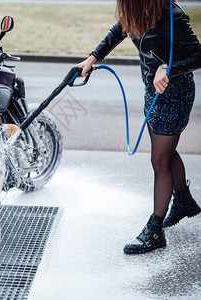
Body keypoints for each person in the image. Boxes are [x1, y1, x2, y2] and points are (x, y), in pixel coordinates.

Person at [78, 0, 201, 254]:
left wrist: (167, 67)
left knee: (159, 160)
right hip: (152, 90)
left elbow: (198, 55)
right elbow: (117, 31)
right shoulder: (137, 11)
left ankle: (155, 231)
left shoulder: (173, 16)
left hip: (174, 92)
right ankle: (183, 201)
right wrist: (91, 58)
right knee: (165, 152)